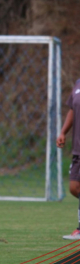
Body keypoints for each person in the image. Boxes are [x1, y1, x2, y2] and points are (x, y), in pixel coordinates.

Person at [58, 78, 80, 240]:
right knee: (74, 187)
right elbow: (73, 109)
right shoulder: (78, 83)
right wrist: (63, 132)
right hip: (78, 147)